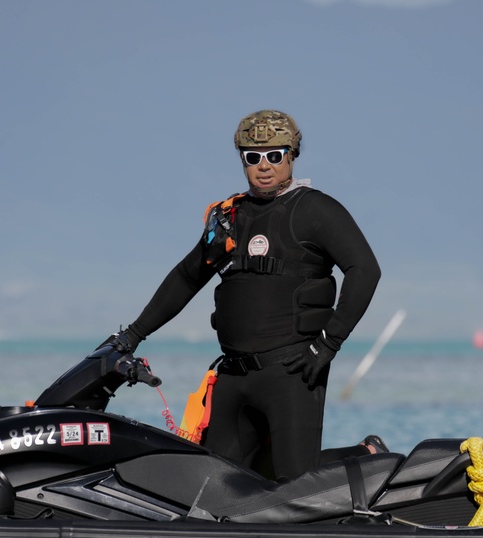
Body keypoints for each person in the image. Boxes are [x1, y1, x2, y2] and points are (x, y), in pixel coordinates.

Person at [104, 109, 382, 479]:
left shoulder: (315, 210)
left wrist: (329, 343)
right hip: (234, 376)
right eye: (253, 157)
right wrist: (131, 336)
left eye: (274, 155)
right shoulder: (231, 217)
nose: (263, 166)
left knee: (296, 485)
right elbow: (187, 277)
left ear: (292, 155)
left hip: (293, 372)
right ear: (242, 160)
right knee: (215, 485)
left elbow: (365, 270)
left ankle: (368, 455)